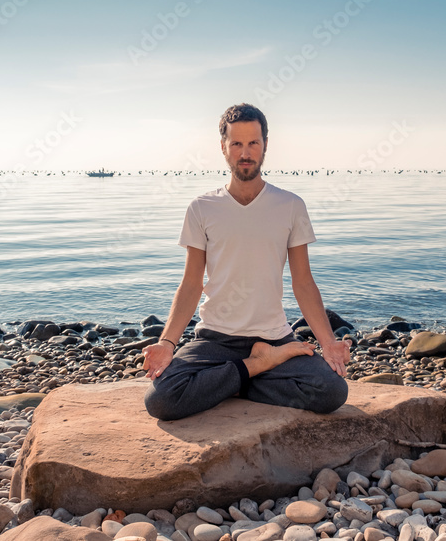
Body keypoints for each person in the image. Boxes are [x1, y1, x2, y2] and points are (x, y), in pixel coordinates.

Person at [142, 103, 350, 421]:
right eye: (236, 144)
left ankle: (231, 381)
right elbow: (191, 283)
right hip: (214, 338)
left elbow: (303, 282)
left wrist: (329, 343)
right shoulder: (202, 208)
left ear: (265, 144)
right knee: (161, 400)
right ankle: (257, 366)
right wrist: (167, 342)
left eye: (253, 143)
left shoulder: (291, 206)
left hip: (274, 336)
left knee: (332, 391)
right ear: (223, 147)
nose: (245, 153)